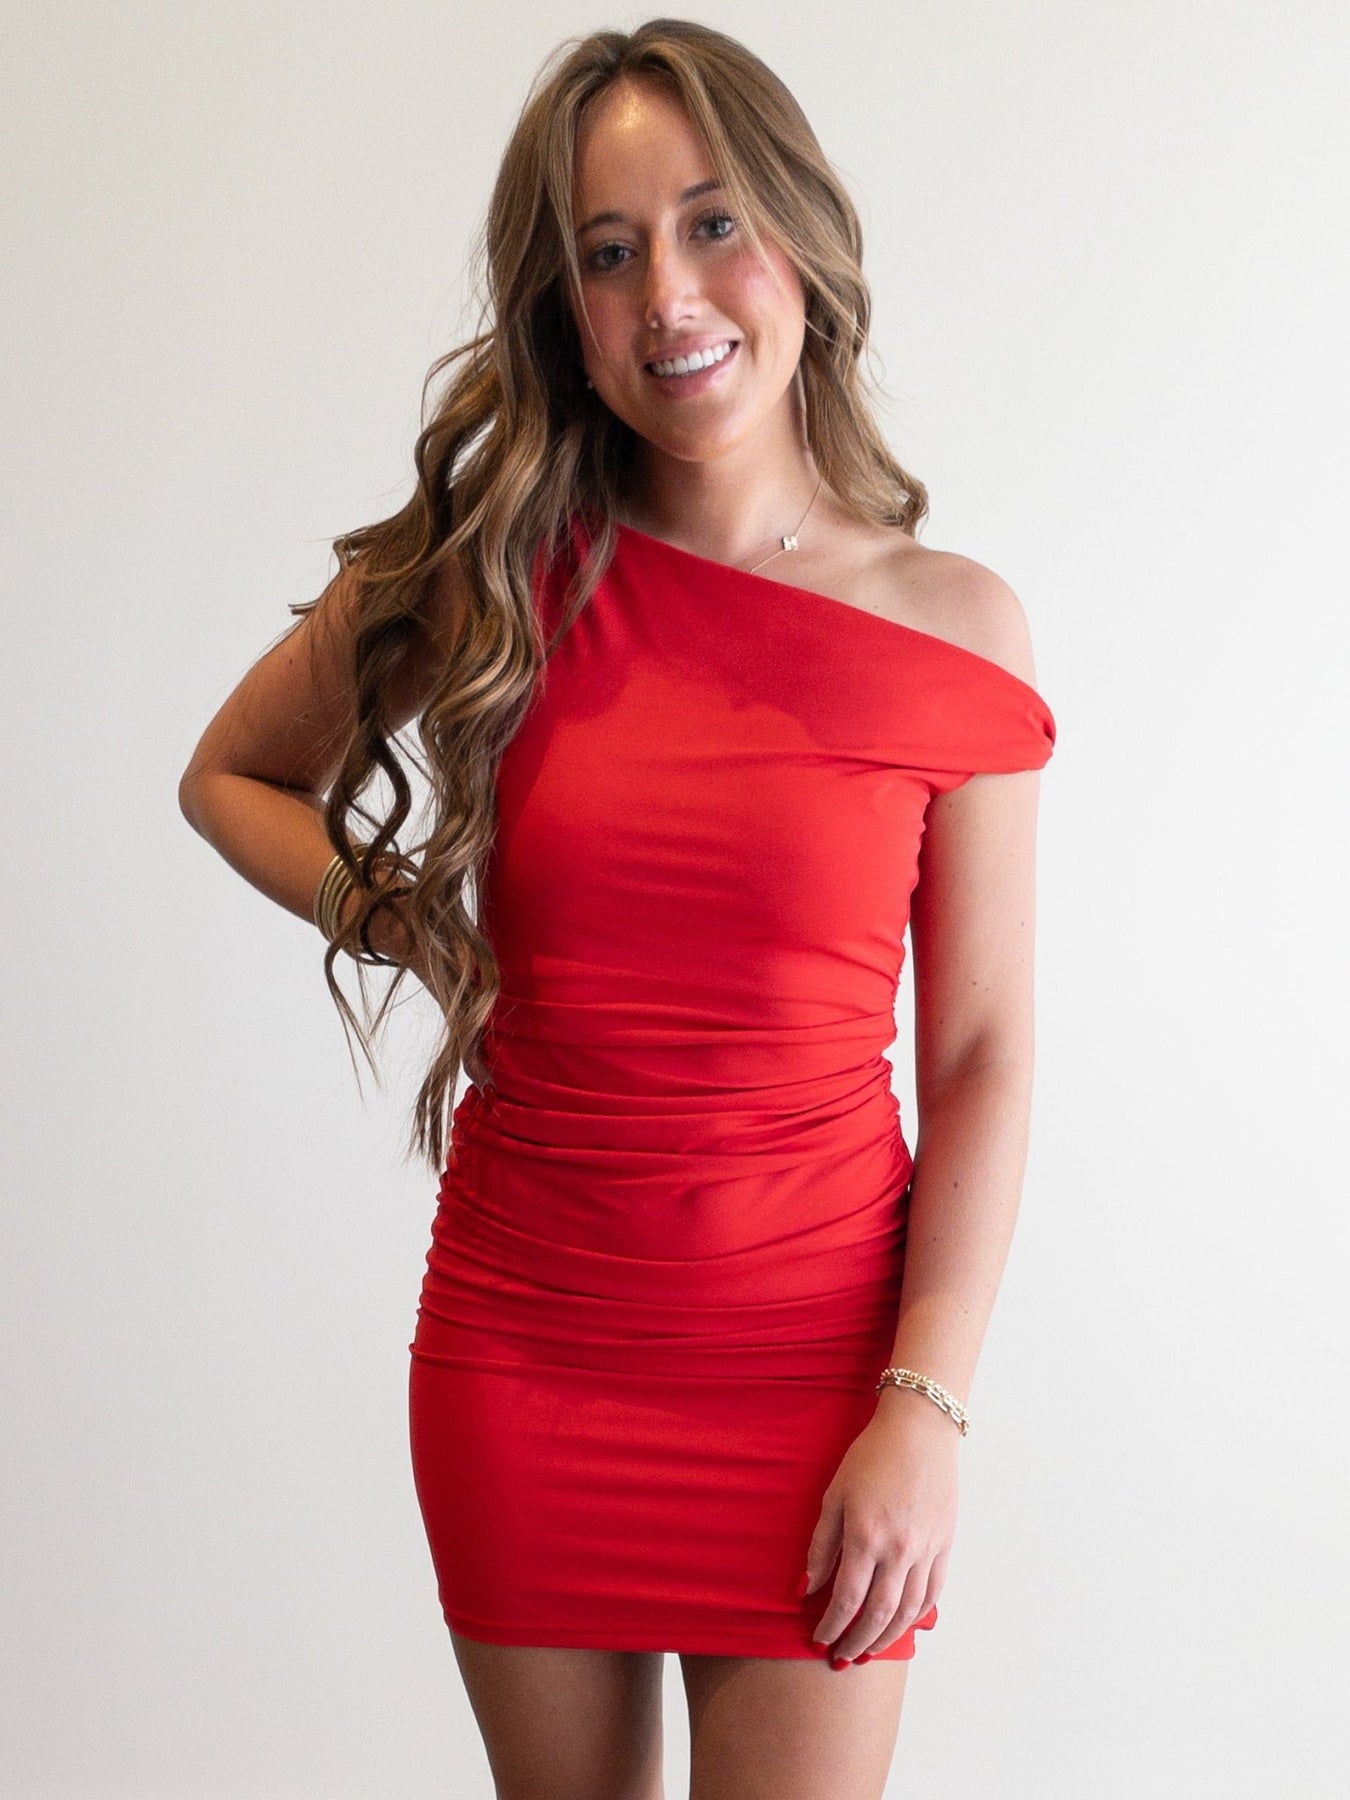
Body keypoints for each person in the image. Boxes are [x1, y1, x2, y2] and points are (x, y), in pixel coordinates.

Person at [178, 18, 1056, 1800]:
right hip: (526, 1355)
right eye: (606, 251)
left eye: (711, 222)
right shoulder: (493, 566)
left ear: (800, 234)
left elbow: (976, 1053)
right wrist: (407, 925)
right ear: (563, 311)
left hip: (820, 1371)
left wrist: (926, 1405)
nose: (667, 293)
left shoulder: (955, 628)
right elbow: (231, 776)